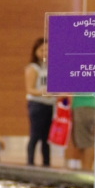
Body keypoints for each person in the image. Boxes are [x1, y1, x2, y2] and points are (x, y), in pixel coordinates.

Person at [25, 37, 55, 166]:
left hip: (49, 105)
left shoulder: (51, 67)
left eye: (47, 50)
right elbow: (30, 89)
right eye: (42, 50)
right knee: (35, 135)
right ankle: (30, 163)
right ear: (36, 51)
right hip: (37, 105)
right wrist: (44, 92)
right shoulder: (33, 68)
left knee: (46, 138)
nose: (45, 53)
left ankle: (46, 164)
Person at [71, 94, 95, 170]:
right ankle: (85, 169)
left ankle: (86, 170)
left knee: (86, 141)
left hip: (82, 105)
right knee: (84, 141)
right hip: (92, 105)